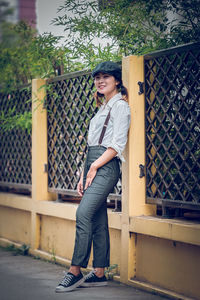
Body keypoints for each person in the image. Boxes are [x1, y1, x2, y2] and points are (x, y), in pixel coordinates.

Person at [55, 61, 131, 293]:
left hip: (106, 166)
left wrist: (94, 167)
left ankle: (75, 270)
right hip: (94, 165)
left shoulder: (120, 107)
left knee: (83, 212)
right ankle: (99, 272)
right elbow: (92, 146)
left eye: (105, 77)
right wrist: (83, 173)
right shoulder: (103, 107)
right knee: (97, 217)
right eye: (97, 77)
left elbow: (117, 145)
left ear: (117, 80)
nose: (100, 81)